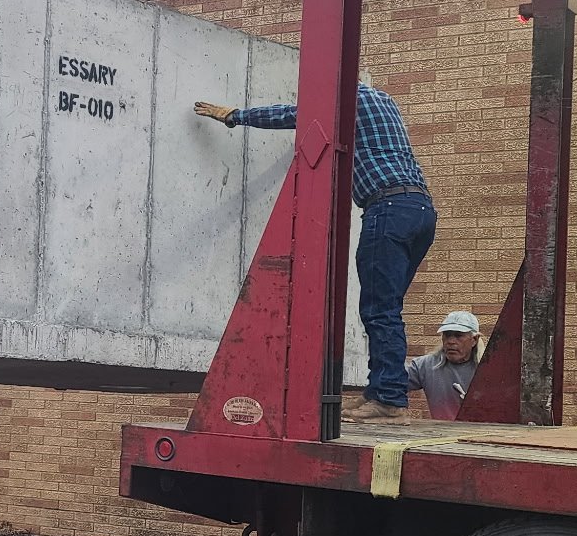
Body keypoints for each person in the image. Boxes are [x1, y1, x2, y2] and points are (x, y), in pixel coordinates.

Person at [196, 78, 437, 421]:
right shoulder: (382, 101)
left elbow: (293, 115)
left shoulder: (347, 100)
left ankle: (388, 399)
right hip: (420, 210)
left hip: (387, 210)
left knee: (379, 310)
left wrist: (236, 115)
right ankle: (381, 391)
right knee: (387, 308)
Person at [404, 309, 481, 419]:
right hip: (442, 432)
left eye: (458, 335)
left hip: (482, 432)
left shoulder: (487, 369)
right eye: (447, 335)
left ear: (474, 340)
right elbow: (393, 383)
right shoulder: (425, 366)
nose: (451, 341)